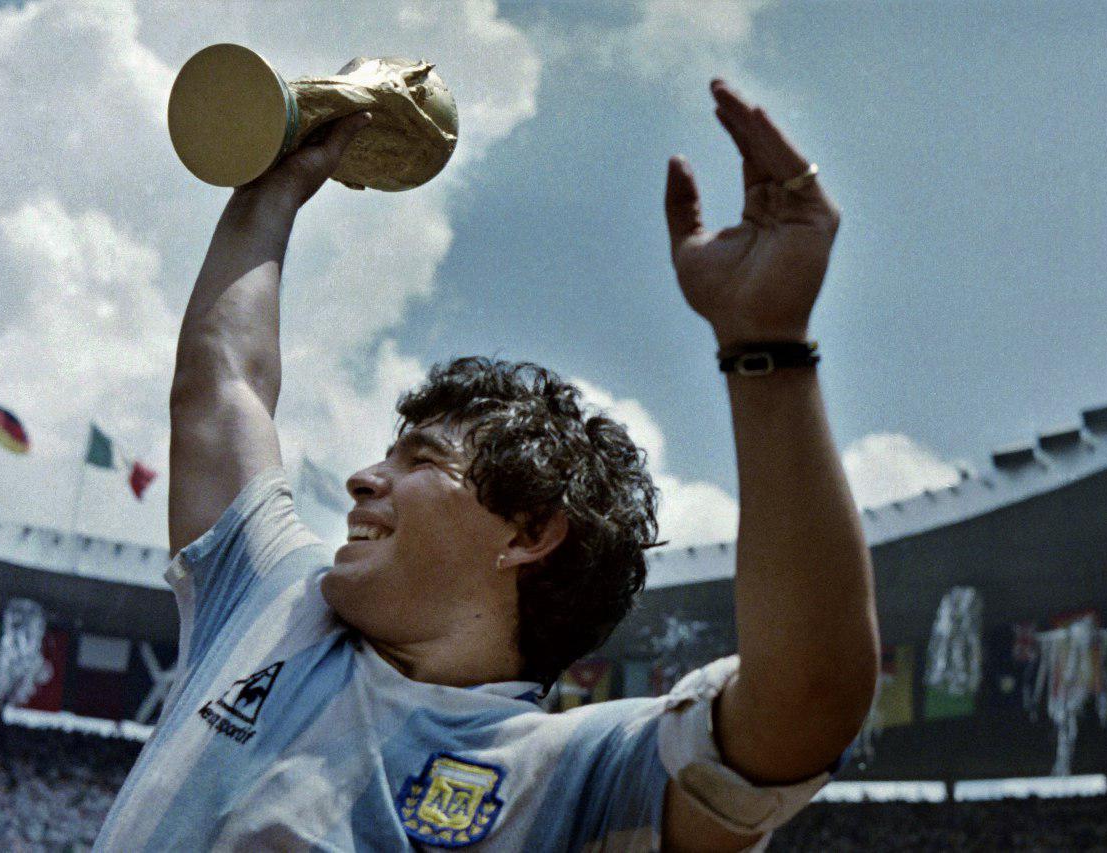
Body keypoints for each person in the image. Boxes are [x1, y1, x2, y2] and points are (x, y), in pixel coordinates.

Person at [94, 78, 878, 851]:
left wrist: (767, 346)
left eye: (421, 460)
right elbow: (221, 385)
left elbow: (804, 705)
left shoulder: (568, 775)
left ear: (529, 531)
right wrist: (277, 182)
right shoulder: (269, 600)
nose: (366, 478)